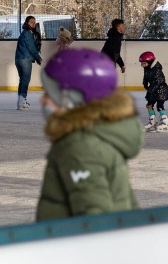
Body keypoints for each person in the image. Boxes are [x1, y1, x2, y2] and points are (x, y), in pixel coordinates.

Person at [35, 48, 141, 221]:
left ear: (71, 98)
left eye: (49, 94)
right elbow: (128, 203)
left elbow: (95, 219)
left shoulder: (80, 148)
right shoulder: (99, 134)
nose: (42, 100)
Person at [14, 15, 42, 111]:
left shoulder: (24, 33)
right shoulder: (27, 33)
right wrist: (38, 58)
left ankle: (20, 101)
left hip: (19, 59)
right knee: (25, 80)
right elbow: (32, 48)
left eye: (34, 22)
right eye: (31, 22)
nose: (33, 24)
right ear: (27, 23)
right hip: (25, 59)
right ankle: (22, 102)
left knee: (22, 80)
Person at [139, 51, 168, 133]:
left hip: (161, 90)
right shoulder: (147, 68)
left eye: (144, 63)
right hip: (152, 89)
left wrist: (150, 91)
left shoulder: (157, 69)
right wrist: (145, 83)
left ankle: (166, 123)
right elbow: (145, 77)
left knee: (159, 106)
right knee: (149, 105)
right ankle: (153, 122)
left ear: (150, 62)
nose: (142, 65)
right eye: (142, 63)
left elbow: (158, 82)